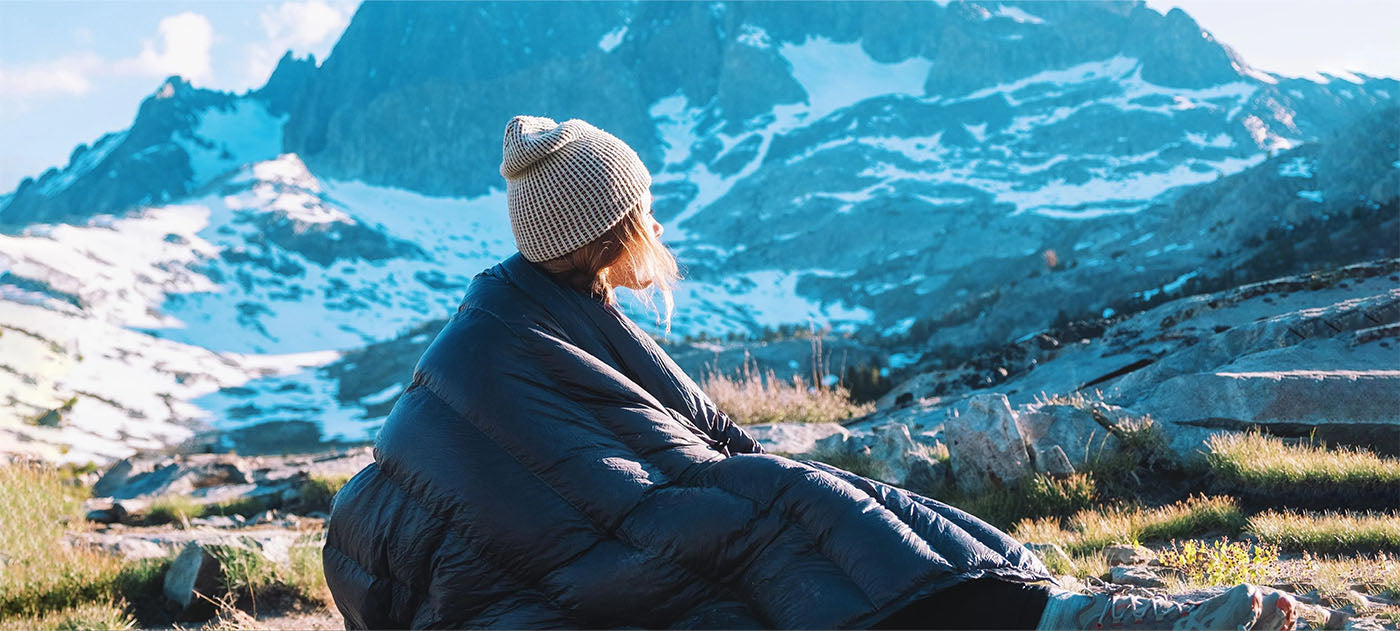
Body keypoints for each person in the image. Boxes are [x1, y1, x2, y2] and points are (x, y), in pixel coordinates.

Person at [321, 115, 1299, 630]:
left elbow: (696, 432)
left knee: (796, 506)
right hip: (511, 567)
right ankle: (1071, 620)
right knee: (773, 508)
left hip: (535, 551)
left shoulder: (558, 304)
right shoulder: (519, 326)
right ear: (612, 227)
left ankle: (1062, 610)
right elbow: (677, 468)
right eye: (642, 210)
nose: (651, 224)